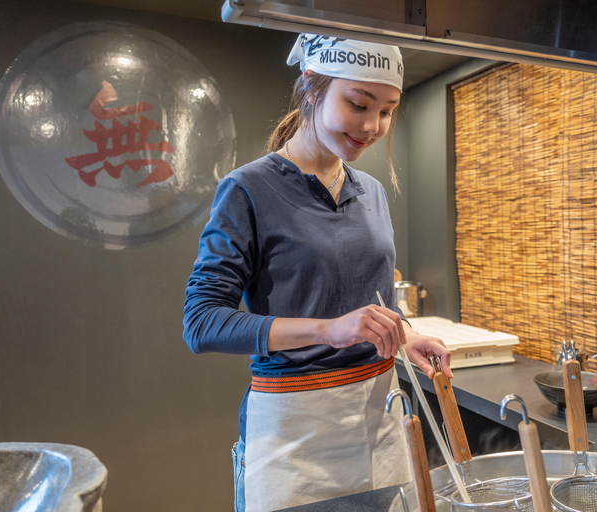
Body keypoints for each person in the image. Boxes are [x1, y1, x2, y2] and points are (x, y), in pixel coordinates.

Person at [183, 33, 453, 512]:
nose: (373, 125)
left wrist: (404, 336)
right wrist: (329, 330)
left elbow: (375, 300)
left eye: (387, 110)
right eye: (358, 104)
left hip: (377, 420)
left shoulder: (370, 190)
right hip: (294, 434)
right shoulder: (247, 189)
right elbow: (202, 322)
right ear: (311, 88)